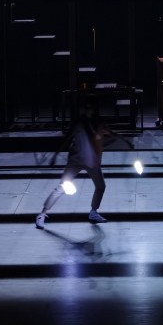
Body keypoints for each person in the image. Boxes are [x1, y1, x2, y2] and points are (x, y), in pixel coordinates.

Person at [35, 96, 132, 229]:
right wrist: (55, 156)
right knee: (62, 187)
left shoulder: (99, 123)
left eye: (91, 108)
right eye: (87, 108)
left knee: (101, 186)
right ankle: (42, 214)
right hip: (76, 160)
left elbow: (111, 133)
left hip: (92, 162)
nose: (89, 110)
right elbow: (66, 139)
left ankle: (93, 212)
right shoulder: (79, 123)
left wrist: (125, 140)